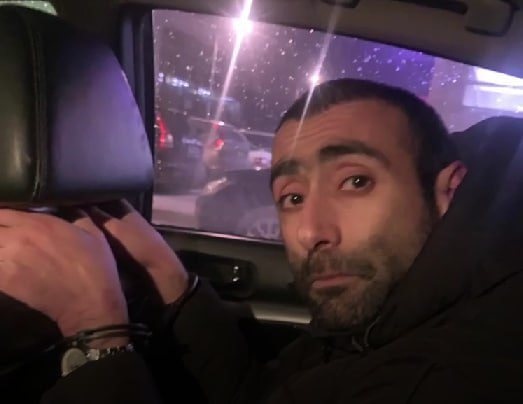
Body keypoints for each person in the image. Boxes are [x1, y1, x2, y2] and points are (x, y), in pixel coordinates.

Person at [2, 78, 523, 403]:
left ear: (447, 191)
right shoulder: (389, 313)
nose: (312, 232)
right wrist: (171, 282)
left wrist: (98, 339)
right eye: (292, 197)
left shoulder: (460, 373)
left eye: (355, 181)